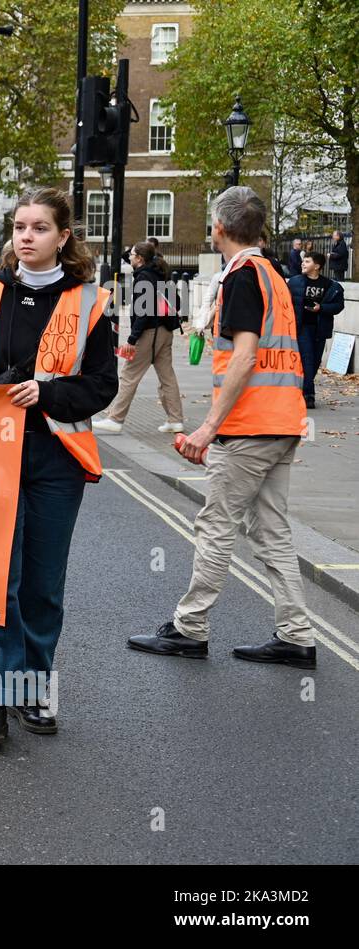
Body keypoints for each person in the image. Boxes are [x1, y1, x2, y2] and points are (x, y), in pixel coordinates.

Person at [0, 187, 117, 745]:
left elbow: (102, 386)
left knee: (42, 585)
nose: (26, 236)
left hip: (55, 459)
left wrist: (48, 394)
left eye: (39, 227)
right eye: (19, 226)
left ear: (63, 237)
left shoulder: (91, 302)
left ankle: (32, 689)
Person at [128, 186, 315, 670]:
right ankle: (296, 635)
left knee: (215, 525)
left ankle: (190, 628)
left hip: (249, 426)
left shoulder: (244, 277)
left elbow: (247, 356)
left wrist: (207, 428)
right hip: (281, 421)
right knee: (271, 530)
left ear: (220, 228)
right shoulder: (274, 273)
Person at [93, 241, 184, 433]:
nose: (130, 257)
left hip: (150, 332)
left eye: (134, 255)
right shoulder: (159, 273)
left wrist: (132, 339)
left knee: (129, 374)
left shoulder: (143, 278)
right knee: (167, 377)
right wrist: (138, 250)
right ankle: (175, 420)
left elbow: (144, 313)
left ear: (140, 258)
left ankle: (115, 419)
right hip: (165, 331)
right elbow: (127, 256)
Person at [289, 251, 344, 409]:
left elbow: (339, 306)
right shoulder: (294, 282)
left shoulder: (331, 286)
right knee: (307, 359)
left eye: (307, 261)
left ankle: (302, 389)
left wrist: (322, 308)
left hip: (321, 328)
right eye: (303, 261)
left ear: (317, 266)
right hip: (302, 327)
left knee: (315, 362)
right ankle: (309, 395)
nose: (303, 264)